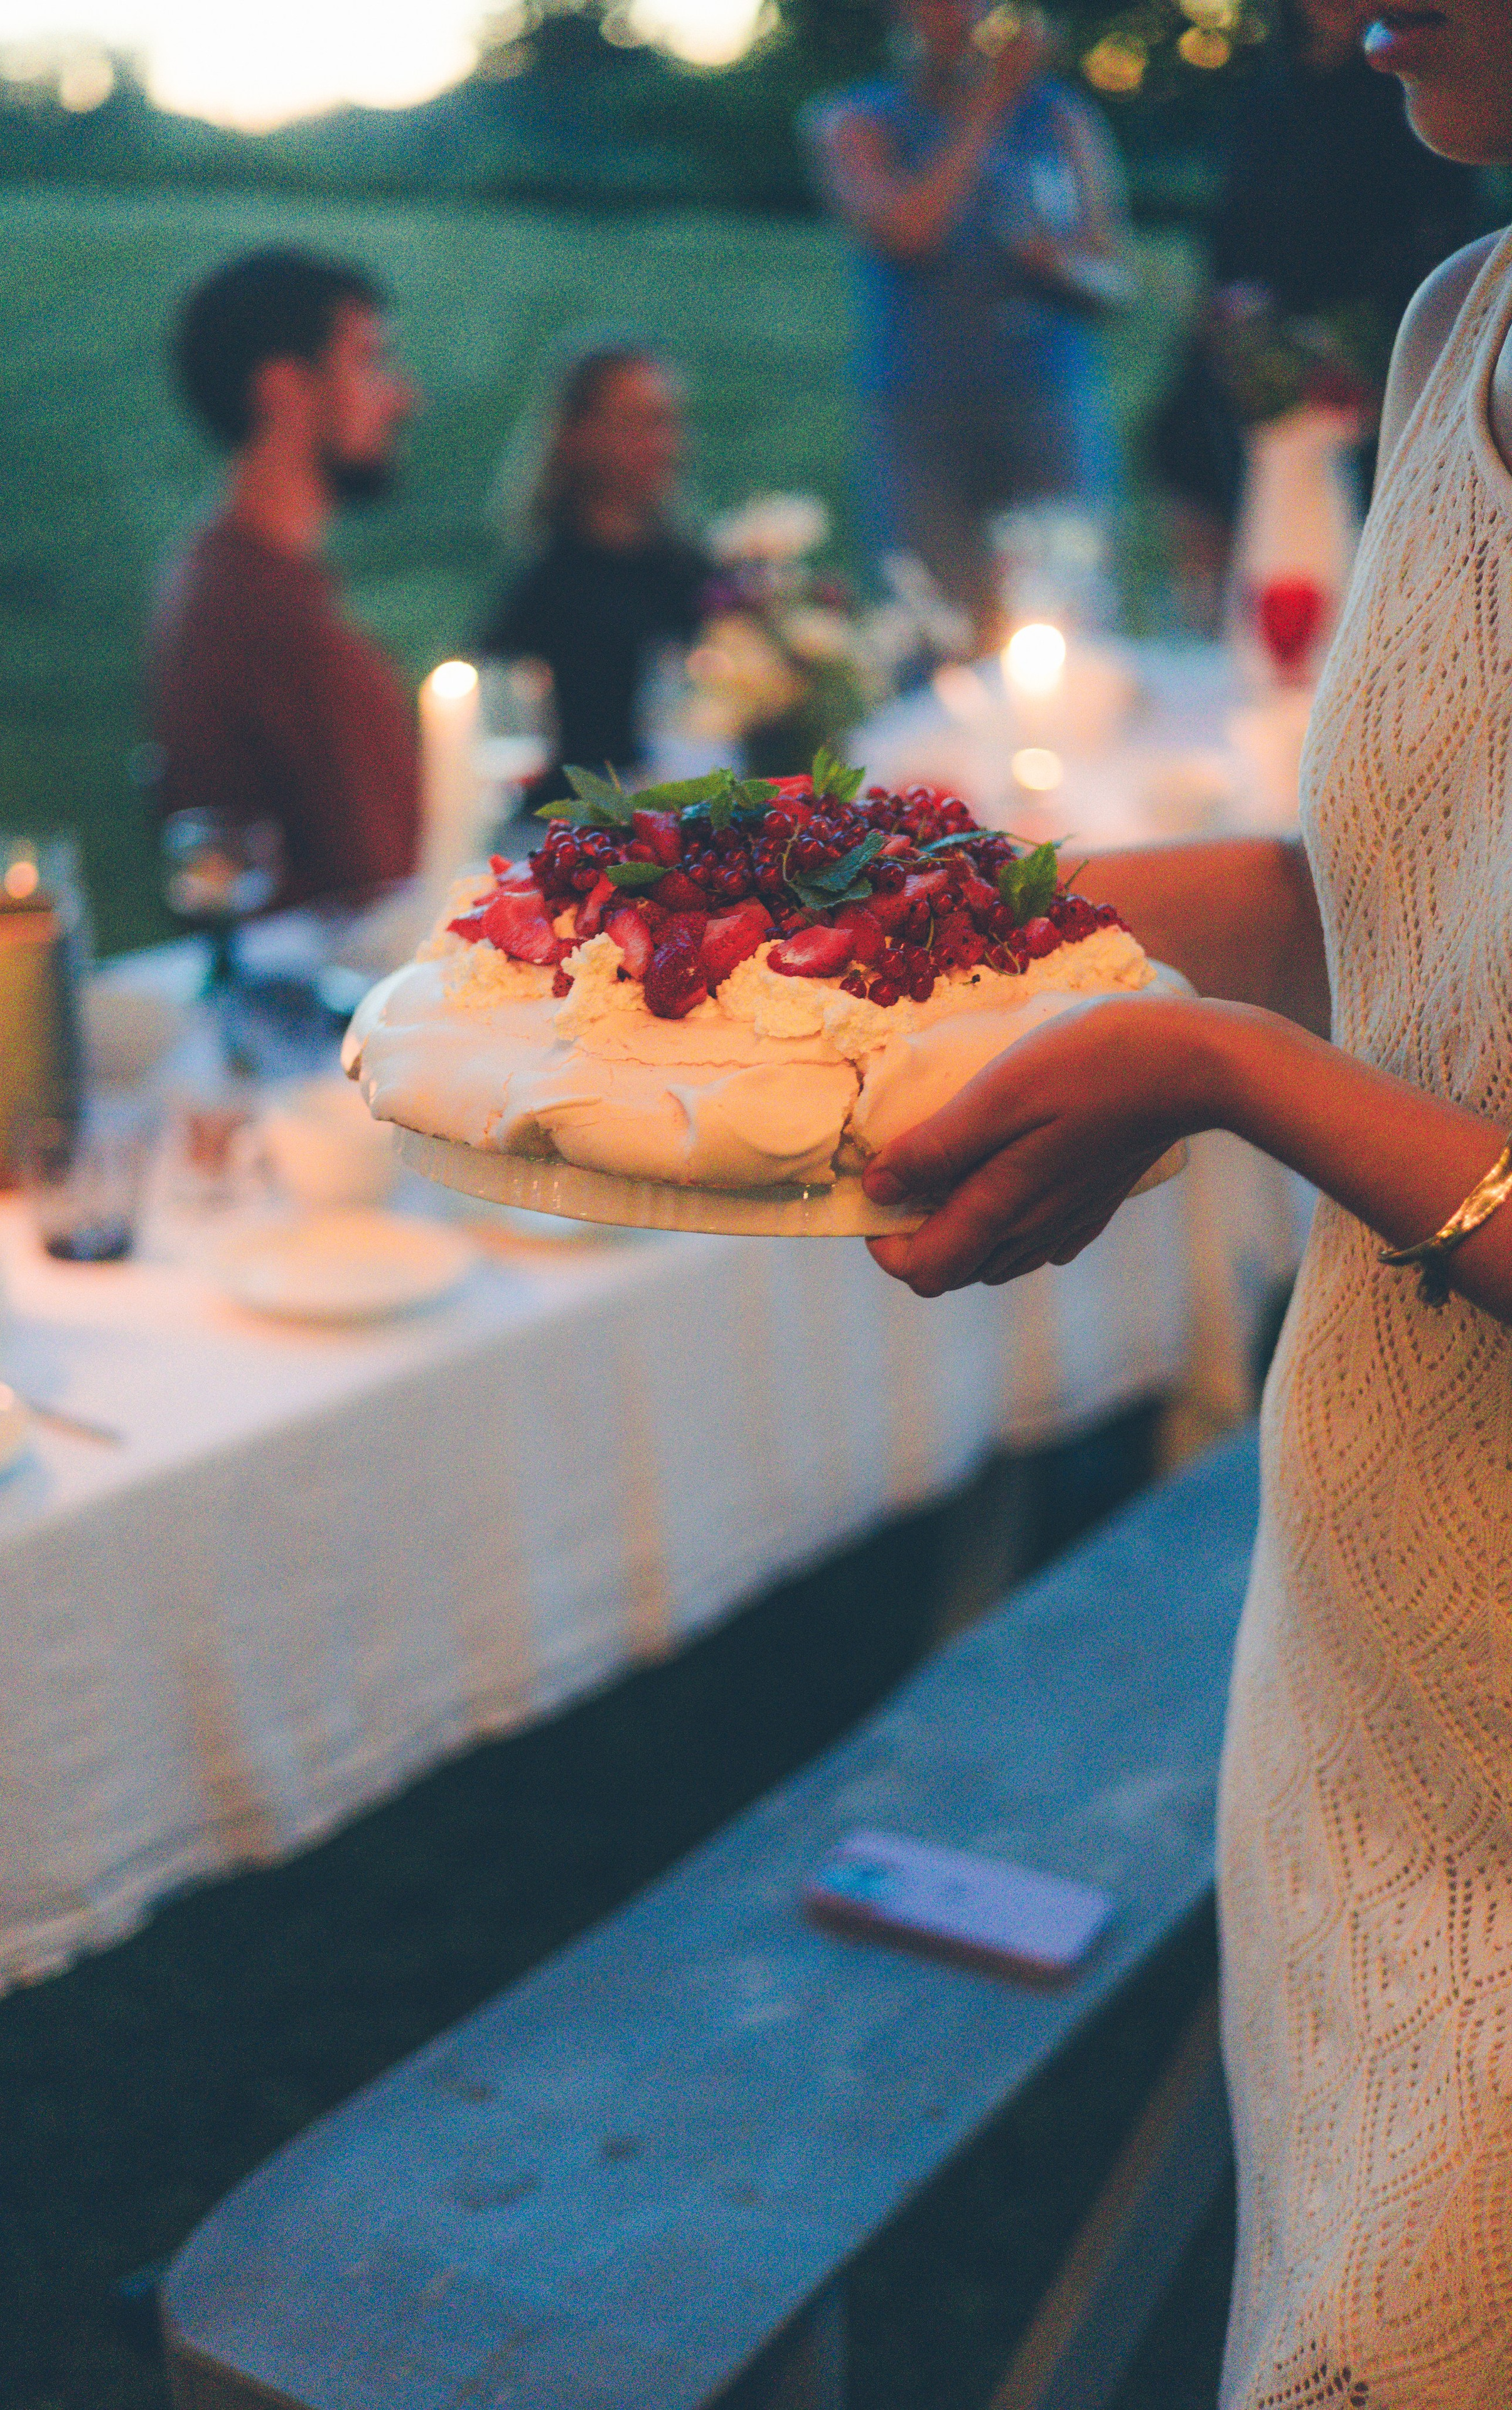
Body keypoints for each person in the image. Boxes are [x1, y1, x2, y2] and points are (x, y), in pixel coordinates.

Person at [862, 5, 1512, 2399]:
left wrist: (1206, 1071)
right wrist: (963, 912)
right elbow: (1413, 908)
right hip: (1356, 1652)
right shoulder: (1453, 332)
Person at [807, 0, 1132, 638]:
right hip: (918, 409)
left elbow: (1113, 280)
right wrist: (989, 105)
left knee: (1068, 611)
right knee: (933, 622)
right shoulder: (855, 120)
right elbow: (906, 231)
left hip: (1044, 397)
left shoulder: (1062, 118)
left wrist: (1057, 268)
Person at [1149, 0, 1479, 613]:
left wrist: (1356, 346)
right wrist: (1229, 321)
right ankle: (1221, 627)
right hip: (1257, 339)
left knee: (1351, 505)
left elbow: (1433, 237)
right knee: (1189, 441)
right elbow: (1229, 226)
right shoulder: (1264, 100)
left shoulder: (1407, 105)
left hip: (1369, 344)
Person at [149, 247, 421, 908]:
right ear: (284, 388)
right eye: (368, 360)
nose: (402, 397)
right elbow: (385, 870)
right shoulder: (270, 623)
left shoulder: (223, 570)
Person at [481, 341, 709, 798]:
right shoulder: (540, 600)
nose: (662, 444)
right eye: (635, 422)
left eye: (666, 421)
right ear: (575, 435)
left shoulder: (698, 576)